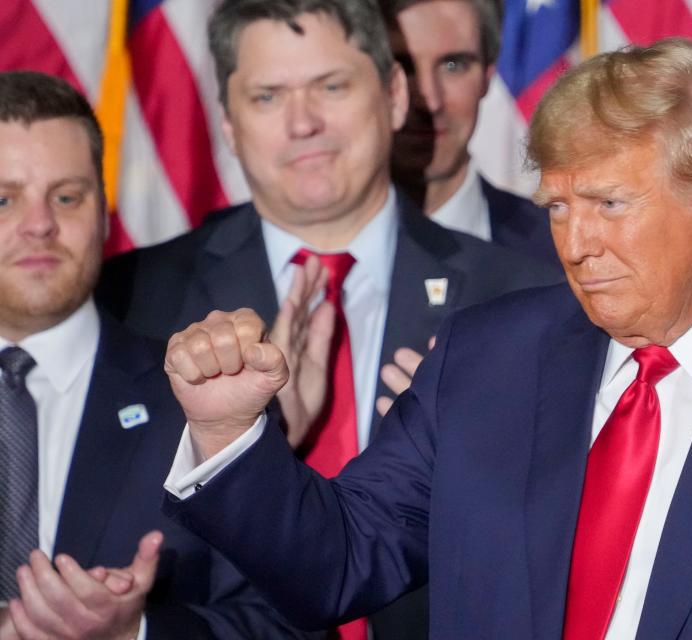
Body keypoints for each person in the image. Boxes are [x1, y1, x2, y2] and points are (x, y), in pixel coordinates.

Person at [161, 39, 692, 638]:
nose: (575, 244)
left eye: (609, 205)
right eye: (557, 207)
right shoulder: (484, 359)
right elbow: (337, 564)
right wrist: (228, 434)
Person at [95, 0, 557, 637]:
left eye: (331, 87)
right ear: (228, 124)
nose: (303, 123)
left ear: (394, 95)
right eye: (267, 97)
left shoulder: (527, 296)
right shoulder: (129, 298)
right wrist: (253, 434)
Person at [0, 71, 316, 640]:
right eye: (4, 199)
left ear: (102, 210)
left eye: (67, 196)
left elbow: (288, 625)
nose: (40, 224)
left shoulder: (204, 403)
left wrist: (135, 633)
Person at [382, 0, 558, 267]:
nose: (429, 100)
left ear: (488, 76)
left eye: (453, 65)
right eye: (404, 66)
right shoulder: (310, 255)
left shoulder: (562, 249)